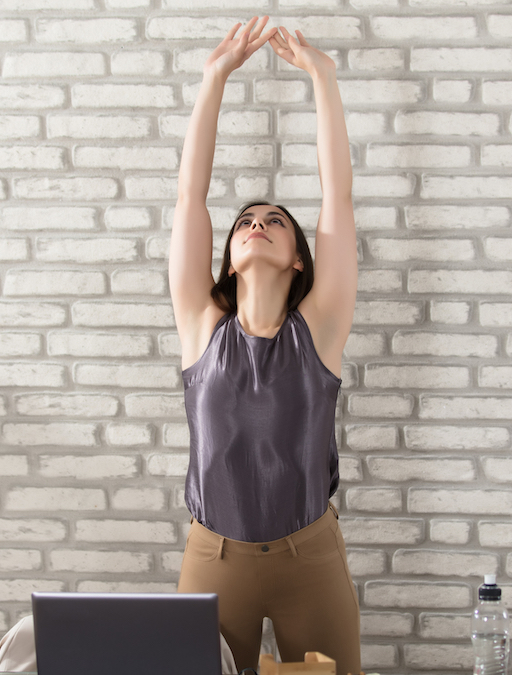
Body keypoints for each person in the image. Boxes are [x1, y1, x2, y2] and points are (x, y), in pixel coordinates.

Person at [169, 16, 361, 675]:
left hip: (311, 557)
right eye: (246, 221)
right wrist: (213, 79)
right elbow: (189, 197)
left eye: (275, 221)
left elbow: (338, 198)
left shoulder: (321, 330)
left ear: (300, 262)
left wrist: (324, 79)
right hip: (212, 558)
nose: (257, 225)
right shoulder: (201, 325)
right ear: (225, 259)